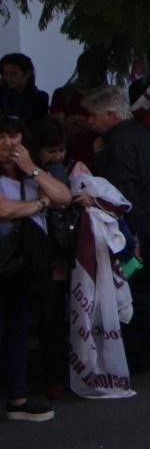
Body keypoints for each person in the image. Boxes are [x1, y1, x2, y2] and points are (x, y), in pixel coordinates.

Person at [84, 85, 150, 370]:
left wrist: (129, 237)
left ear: (110, 114)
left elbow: (123, 195)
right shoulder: (144, 136)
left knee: (131, 293)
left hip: (134, 228)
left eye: (93, 115)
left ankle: (148, 349)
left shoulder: (119, 144)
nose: (89, 121)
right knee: (143, 289)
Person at [0, 117, 72, 421]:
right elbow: (4, 211)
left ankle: (17, 397)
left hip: (27, 265)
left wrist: (32, 169)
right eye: (1, 137)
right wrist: (39, 206)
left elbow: (63, 197)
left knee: (18, 328)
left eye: (14, 136)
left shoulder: (31, 174)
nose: (8, 143)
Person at [0, 53, 51, 124]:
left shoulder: (39, 97)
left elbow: (38, 126)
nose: (9, 78)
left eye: (14, 74)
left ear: (27, 73)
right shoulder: (3, 94)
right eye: (6, 74)